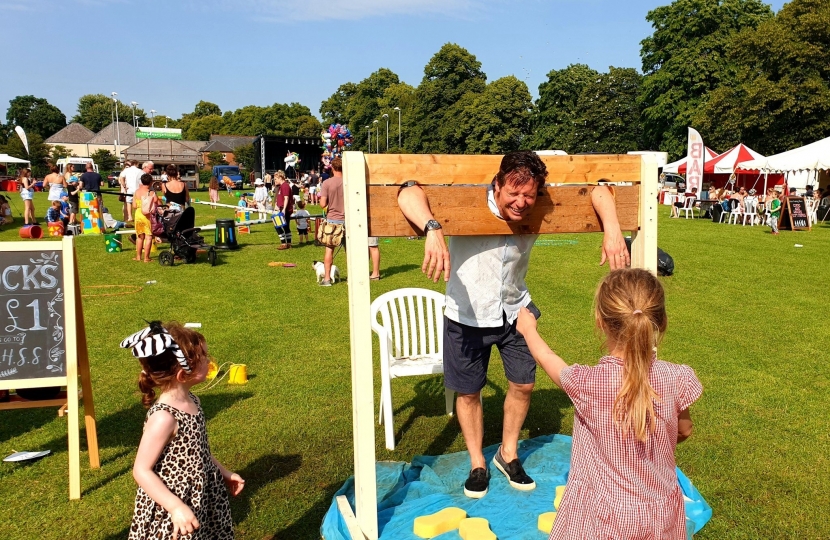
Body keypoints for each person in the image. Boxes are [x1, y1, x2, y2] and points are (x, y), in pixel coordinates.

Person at [396, 151, 629, 498]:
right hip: (466, 312)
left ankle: (508, 454)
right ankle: (478, 463)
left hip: (514, 309)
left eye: (529, 195)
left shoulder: (538, 203)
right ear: (496, 185)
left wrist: (612, 228)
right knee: (469, 391)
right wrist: (432, 227)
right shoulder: (464, 200)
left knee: (523, 384)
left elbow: (598, 188)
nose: (521, 203)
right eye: (513, 193)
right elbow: (406, 189)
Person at [515, 268, 702, 539]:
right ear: (662, 321)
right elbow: (684, 430)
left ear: (600, 321)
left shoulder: (587, 384)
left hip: (602, 519)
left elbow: (546, 357)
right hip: (660, 515)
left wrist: (528, 330)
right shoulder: (678, 377)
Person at [120, 321, 244, 540]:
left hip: (200, 497)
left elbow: (199, 451)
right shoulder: (164, 417)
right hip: (172, 508)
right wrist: (175, 507)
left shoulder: (192, 400)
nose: (209, 361)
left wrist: (225, 473)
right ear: (182, 373)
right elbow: (141, 470)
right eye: (204, 357)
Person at [318, 157, 346, 285]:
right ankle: (352, 279)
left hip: (333, 220)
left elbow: (323, 203)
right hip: (348, 220)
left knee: (329, 250)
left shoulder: (327, 183)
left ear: (333, 168)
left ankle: (327, 279)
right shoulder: (349, 182)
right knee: (350, 252)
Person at [133, 173, 158, 262]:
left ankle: (138, 256)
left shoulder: (136, 192)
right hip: (147, 215)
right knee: (148, 237)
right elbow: (156, 202)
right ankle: (146, 258)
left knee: (139, 236)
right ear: (151, 182)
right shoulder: (151, 192)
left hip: (138, 214)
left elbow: (134, 205)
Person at [274, 170, 294, 250]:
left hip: (284, 209)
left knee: (278, 225)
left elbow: (286, 198)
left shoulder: (285, 186)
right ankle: (288, 243)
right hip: (281, 208)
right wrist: (277, 205)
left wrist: (284, 209)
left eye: (275, 179)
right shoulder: (281, 187)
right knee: (285, 226)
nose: (275, 181)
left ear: (280, 178)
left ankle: (284, 243)